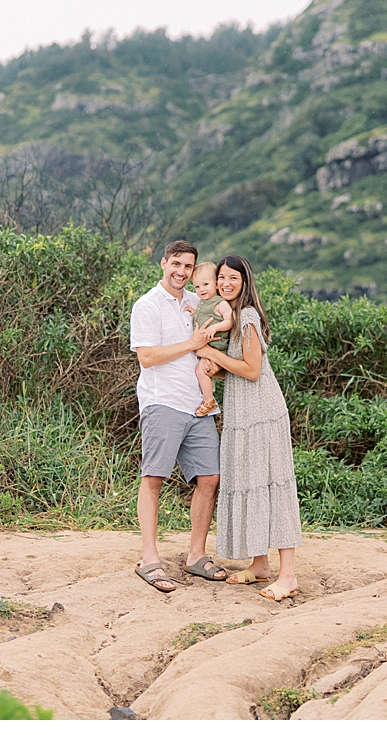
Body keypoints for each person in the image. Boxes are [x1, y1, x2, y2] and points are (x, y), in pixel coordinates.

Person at [194, 254, 302, 602]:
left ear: (245, 283)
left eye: (233, 279)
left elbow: (253, 369)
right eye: (221, 278)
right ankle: (260, 565)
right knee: (250, 480)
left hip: (262, 410)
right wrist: (217, 368)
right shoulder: (232, 316)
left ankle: (288, 575)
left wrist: (208, 351)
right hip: (243, 411)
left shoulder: (248, 316)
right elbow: (238, 366)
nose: (225, 284)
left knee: (272, 482)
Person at [127, 240, 230, 592]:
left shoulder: (197, 301)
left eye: (188, 267)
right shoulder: (147, 305)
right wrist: (192, 344)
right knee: (153, 477)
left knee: (210, 478)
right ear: (163, 264)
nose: (182, 272)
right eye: (176, 264)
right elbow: (147, 358)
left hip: (198, 406)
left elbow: (208, 347)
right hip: (162, 403)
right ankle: (150, 559)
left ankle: (196, 556)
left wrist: (213, 367)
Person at [189, 262, 233, 418]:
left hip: (217, 349)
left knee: (201, 370)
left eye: (206, 284)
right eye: (197, 287)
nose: (201, 290)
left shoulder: (220, 303)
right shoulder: (203, 303)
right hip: (207, 349)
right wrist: (194, 312)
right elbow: (206, 316)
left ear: (216, 284)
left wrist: (215, 328)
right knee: (202, 370)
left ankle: (209, 401)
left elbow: (229, 321)